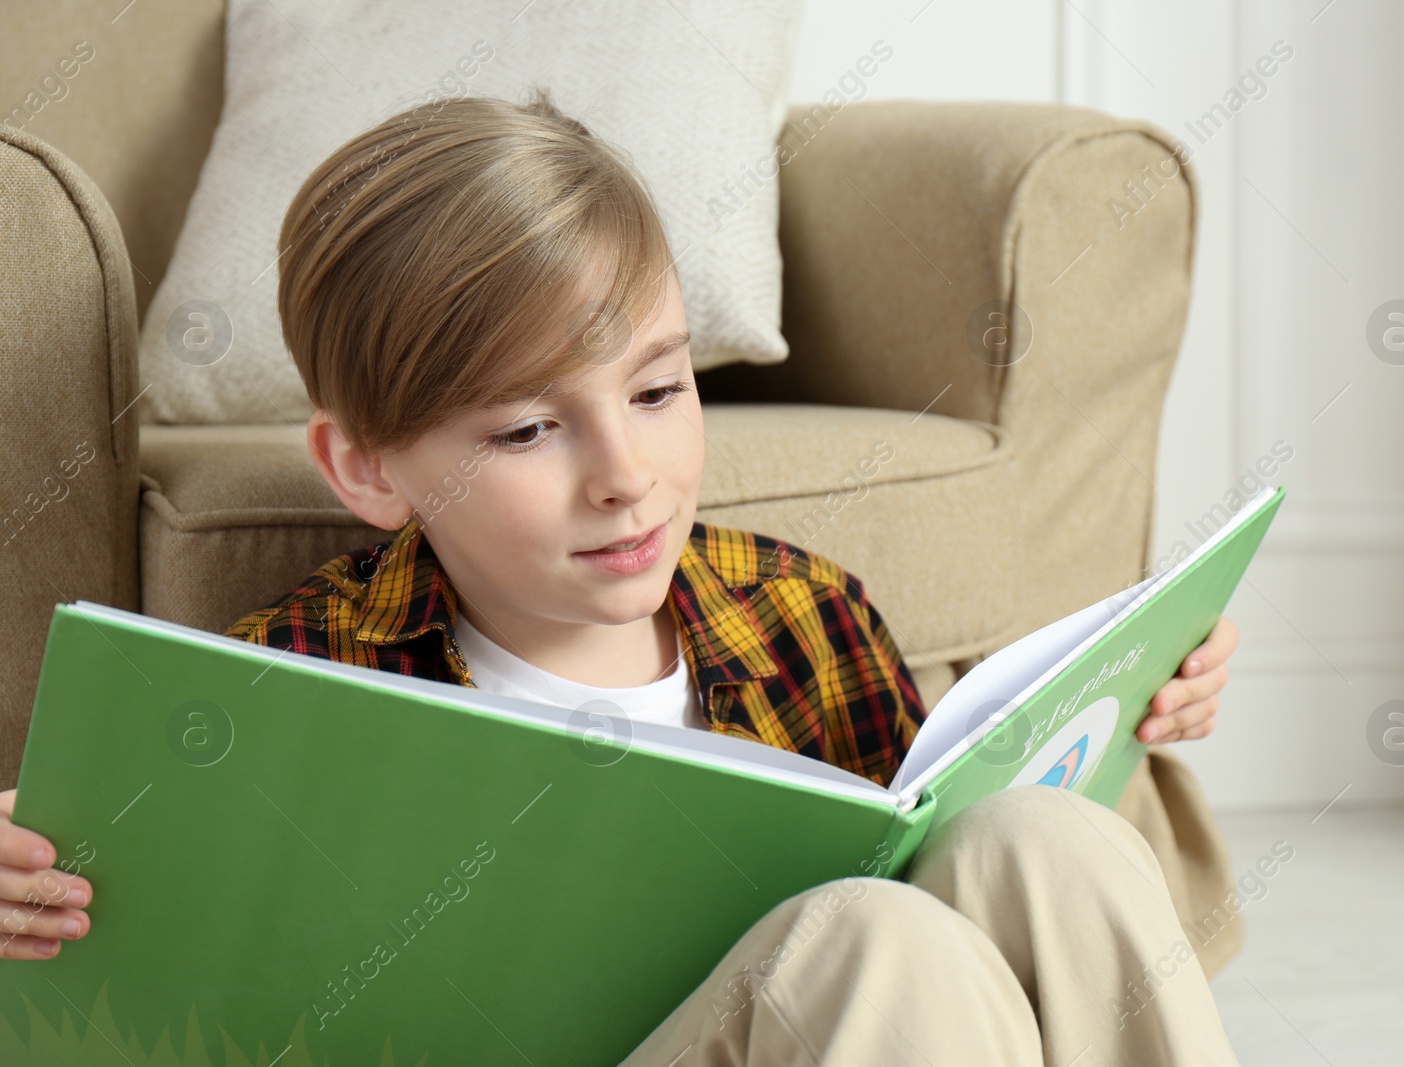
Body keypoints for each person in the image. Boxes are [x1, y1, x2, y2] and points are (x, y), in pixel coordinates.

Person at [0, 90, 1243, 1064]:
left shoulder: (797, 613)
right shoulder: (293, 685)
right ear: (370, 468)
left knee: (1034, 838)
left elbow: (940, 868)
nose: (626, 474)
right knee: (877, 939)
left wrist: (1129, 715)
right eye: (530, 429)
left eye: (656, 390)